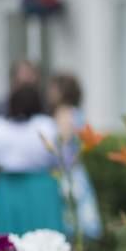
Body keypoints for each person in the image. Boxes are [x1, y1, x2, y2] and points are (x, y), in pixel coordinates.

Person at [0, 84, 63, 235]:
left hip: (6, 189)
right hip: (41, 189)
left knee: (6, 239)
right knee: (44, 238)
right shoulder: (47, 125)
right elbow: (58, 161)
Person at [47, 73, 103, 240]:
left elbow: (61, 148)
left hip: (66, 176)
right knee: (77, 235)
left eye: (53, 88)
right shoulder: (77, 113)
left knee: (68, 231)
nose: (49, 92)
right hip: (78, 173)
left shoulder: (64, 113)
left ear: (62, 91)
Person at [0, 60, 40, 140]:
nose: (25, 92)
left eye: (29, 86)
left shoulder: (43, 113)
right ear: (13, 81)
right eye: (23, 85)